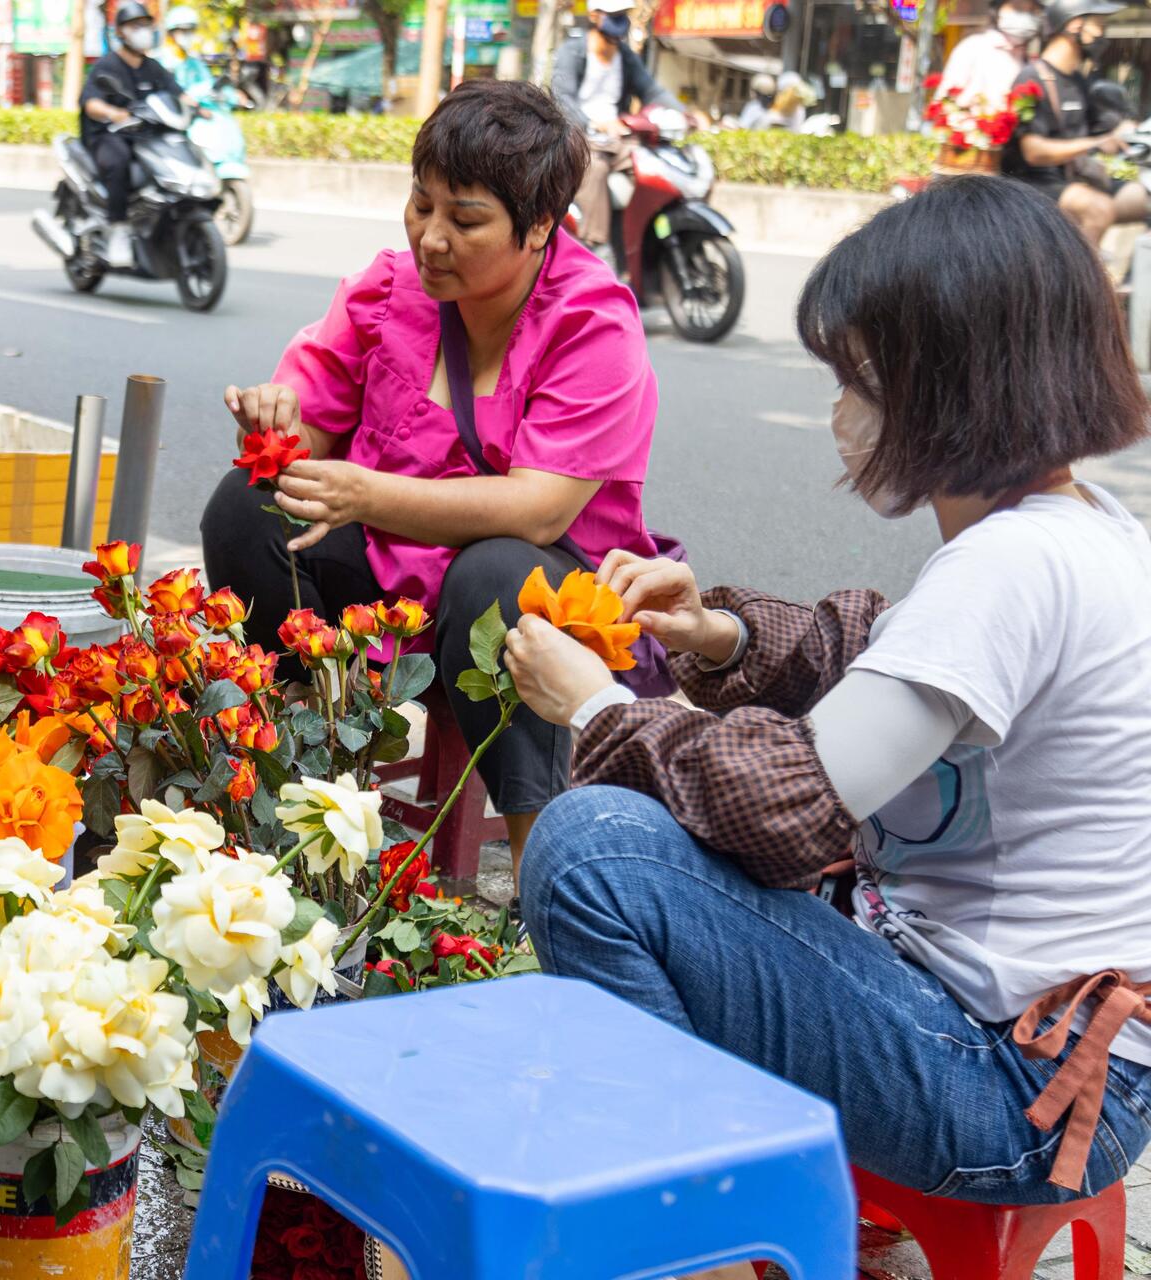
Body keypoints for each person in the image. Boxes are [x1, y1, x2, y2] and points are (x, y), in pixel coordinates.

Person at [505, 176, 1151, 1231]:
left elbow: (780, 808)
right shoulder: (1083, 530)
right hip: (1065, 1063)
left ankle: (689, 1237)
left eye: (859, 380)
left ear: (948, 388)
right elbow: (880, 657)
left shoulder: (1012, 564)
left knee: (592, 851)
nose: (841, 413)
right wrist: (717, 633)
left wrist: (595, 711)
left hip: (1012, 1088)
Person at [202, 80, 663, 873]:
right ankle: (298, 767)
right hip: (391, 577)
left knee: (499, 577)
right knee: (248, 507)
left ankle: (542, 874)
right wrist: (275, 428)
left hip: (542, 590)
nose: (431, 238)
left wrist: (364, 493)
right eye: (421, 205)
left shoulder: (593, 326)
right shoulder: (388, 289)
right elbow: (308, 439)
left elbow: (539, 509)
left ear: (539, 227)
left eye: (466, 219)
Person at [1003, 0, 1145, 248]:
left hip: (1073, 178)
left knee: (1143, 196)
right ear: (1075, 25)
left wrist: (1128, 132)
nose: (1103, 34)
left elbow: (1102, 129)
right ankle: (1079, 271)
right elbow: (1033, 152)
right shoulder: (1033, 78)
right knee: (1098, 208)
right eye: (1099, 25)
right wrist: (1096, 143)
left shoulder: (1079, 80)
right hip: (1035, 183)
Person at [550, 0, 681, 252]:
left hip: (618, 139)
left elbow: (652, 91)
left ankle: (645, 241)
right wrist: (593, 124)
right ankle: (593, 245)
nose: (620, 21)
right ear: (594, 16)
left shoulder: (626, 57)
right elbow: (562, 98)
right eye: (613, 14)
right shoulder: (571, 52)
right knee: (594, 168)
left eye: (623, 14)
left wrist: (685, 114)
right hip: (582, 138)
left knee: (653, 166)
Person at [79, 0, 186, 269]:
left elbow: (178, 95)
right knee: (119, 161)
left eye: (146, 25)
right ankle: (118, 228)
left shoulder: (154, 68)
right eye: (135, 26)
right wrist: (114, 113)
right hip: (109, 134)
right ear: (121, 32)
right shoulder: (108, 66)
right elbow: (91, 103)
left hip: (144, 136)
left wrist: (201, 107)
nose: (143, 31)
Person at [938, 0, 1043, 107]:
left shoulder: (1034, 63)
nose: (1025, 16)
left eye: (1032, 10)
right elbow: (945, 101)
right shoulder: (973, 47)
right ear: (997, 8)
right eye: (1018, 8)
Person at [158, 5, 215, 101]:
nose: (188, 35)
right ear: (171, 33)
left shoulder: (193, 61)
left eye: (191, 31)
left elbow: (208, 82)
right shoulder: (161, 60)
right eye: (183, 31)